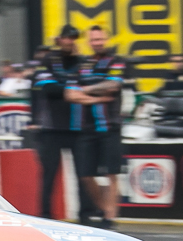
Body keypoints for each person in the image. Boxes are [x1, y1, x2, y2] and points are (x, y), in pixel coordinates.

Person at [65, 25, 125, 227]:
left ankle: (110, 216)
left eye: (100, 39)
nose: (97, 43)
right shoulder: (83, 65)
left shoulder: (115, 62)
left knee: (111, 173)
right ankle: (102, 207)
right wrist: (95, 98)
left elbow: (113, 85)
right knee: (85, 174)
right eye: (93, 40)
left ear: (106, 39)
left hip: (110, 126)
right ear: (89, 42)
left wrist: (85, 89)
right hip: (87, 127)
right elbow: (70, 94)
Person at [32, 25, 91, 220]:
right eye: (66, 38)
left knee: (83, 174)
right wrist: (72, 90)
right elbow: (46, 88)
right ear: (59, 39)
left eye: (73, 38)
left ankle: (86, 215)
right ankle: (45, 215)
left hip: (77, 126)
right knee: (49, 175)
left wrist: (67, 88)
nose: (70, 41)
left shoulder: (82, 61)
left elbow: (89, 87)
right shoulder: (48, 59)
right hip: (51, 128)